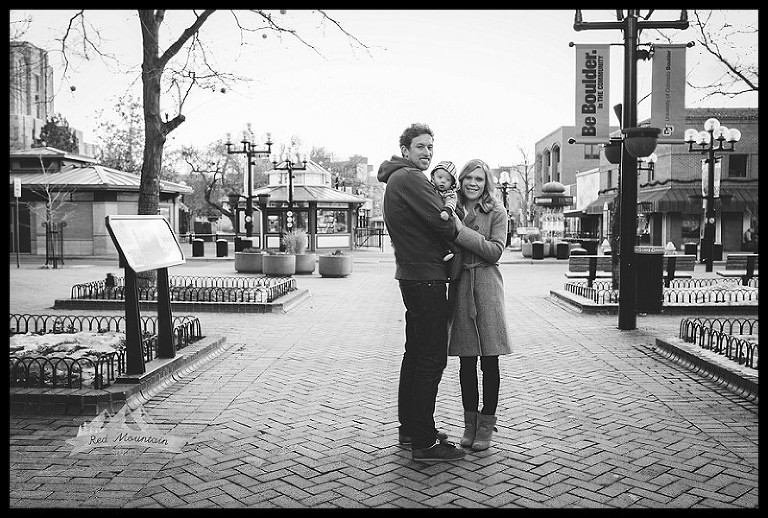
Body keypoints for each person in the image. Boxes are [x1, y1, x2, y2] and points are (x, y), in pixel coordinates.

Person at [377, 123, 467, 462]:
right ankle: (425, 443)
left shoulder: (397, 179)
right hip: (426, 277)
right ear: (405, 150)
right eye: (420, 146)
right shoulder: (411, 178)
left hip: (413, 275)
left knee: (415, 354)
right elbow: (444, 222)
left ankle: (412, 429)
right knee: (431, 356)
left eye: (430, 146)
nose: (427, 152)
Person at [448, 158, 512, 451]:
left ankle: (486, 426)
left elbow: (495, 251)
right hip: (461, 285)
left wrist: (461, 231)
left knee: (489, 360)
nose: (473, 183)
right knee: (466, 361)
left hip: (486, 287)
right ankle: (469, 425)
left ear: (486, 183)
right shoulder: (452, 209)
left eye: (479, 179)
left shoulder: (497, 210)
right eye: (468, 178)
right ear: (460, 181)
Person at [429, 160, 464, 264]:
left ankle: (447, 251)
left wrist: (447, 211)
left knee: (445, 235)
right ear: (433, 177)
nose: (443, 181)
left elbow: (451, 202)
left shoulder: (450, 193)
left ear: (452, 183)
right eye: (440, 177)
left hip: (445, 217)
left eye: (448, 180)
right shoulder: (430, 189)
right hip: (434, 219)